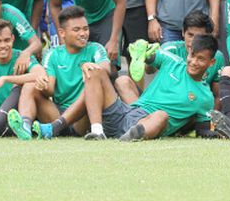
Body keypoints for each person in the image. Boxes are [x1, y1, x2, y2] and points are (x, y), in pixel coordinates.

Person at [8, 6, 112, 139]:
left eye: (85, 29)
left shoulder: (95, 49)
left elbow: (106, 68)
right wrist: (42, 85)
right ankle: (25, 128)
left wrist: (92, 67)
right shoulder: (52, 54)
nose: (83, 33)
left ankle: (95, 130)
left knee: (94, 79)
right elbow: (50, 89)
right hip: (56, 114)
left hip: (82, 117)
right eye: (77, 30)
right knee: (30, 86)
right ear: (62, 33)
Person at [92, 33, 220, 141]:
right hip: (130, 111)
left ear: (211, 63)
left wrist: (219, 133)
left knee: (161, 115)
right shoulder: (172, 61)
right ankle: (97, 129)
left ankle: (129, 136)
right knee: (121, 79)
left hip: (149, 121)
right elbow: (150, 55)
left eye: (201, 59)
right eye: (192, 55)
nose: (194, 62)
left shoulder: (205, 97)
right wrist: (142, 48)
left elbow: (203, 130)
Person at [117, 11, 225, 103]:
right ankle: (139, 117)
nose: (193, 42)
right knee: (122, 82)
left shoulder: (217, 57)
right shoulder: (170, 49)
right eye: (190, 35)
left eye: (199, 37)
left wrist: (211, 124)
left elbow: (217, 95)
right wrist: (147, 56)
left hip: (193, 108)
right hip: (160, 104)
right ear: (183, 32)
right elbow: (149, 70)